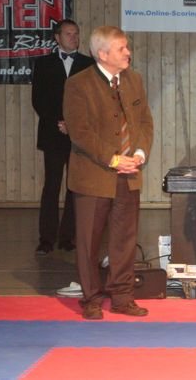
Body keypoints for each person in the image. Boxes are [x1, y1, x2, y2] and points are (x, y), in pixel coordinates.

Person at [63, 26, 153, 320]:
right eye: (121, 48)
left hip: (129, 175)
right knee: (89, 242)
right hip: (93, 177)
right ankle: (91, 298)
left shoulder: (134, 80)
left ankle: (122, 297)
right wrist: (114, 160)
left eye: (127, 47)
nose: (128, 53)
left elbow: (145, 123)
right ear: (102, 54)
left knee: (124, 241)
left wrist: (139, 154)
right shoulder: (78, 84)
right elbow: (80, 133)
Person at [31, 19, 94, 255]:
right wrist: (59, 121)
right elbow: (39, 99)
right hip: (53, 132)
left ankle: (68, 236)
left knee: (74, 186)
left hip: (79, 134)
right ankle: (46, 238)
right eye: (68, 34)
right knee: (52, 185)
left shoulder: (88, 64)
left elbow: (92, 100)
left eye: (76, 34)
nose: (74, 38)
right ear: (57, 38)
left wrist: (74, 124)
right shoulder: (44, 64)